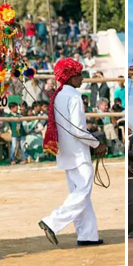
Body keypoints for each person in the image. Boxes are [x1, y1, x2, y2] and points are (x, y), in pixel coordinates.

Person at [37, 58, 108, 247]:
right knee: (82, 192)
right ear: (70, 77)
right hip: (78, 153)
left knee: (80, 194)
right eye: (79, 75)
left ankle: (88, 235)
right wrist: (96, 144)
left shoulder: (58, 95)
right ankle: (52, 222)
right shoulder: (74, 97)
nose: (83, 78)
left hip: (66, 152)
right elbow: (77, 130)